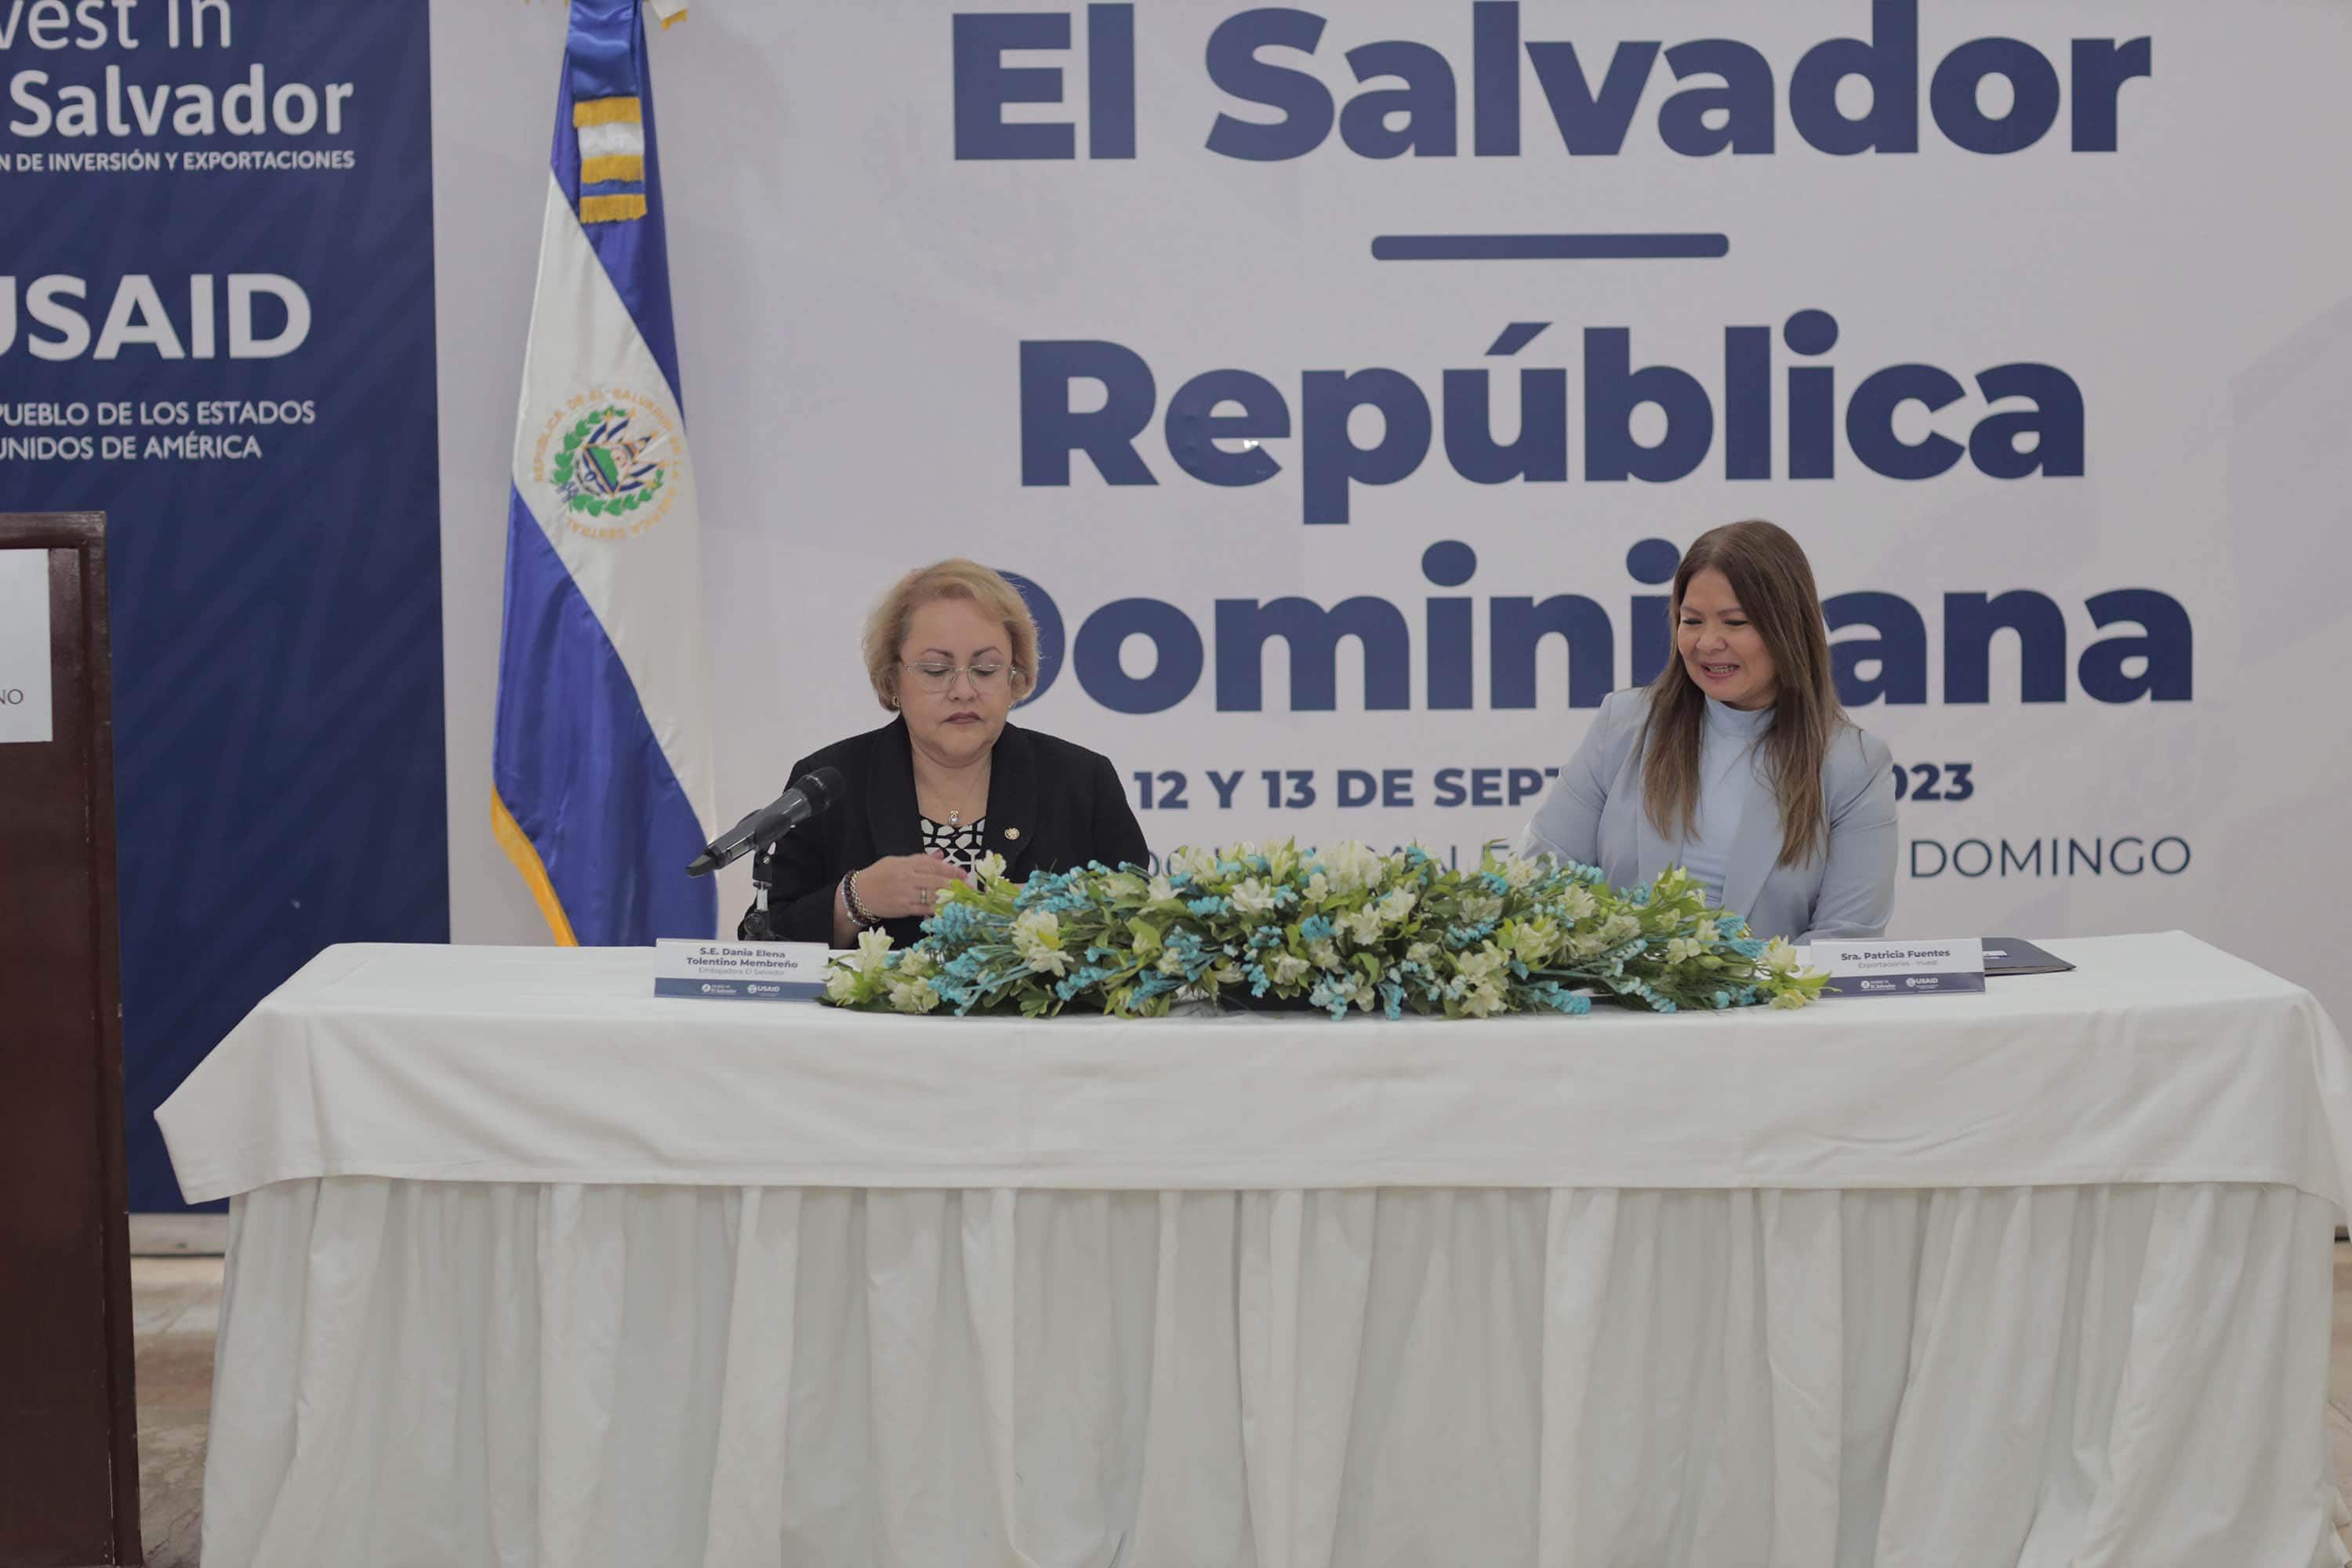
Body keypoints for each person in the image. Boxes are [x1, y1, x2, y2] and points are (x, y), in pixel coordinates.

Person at [1516, 521, 1896, 944]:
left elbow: (1845, 941)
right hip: (1620, 1005)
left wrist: (1728, 989)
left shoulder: (1855, 764)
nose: (1707, 642)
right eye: (1692, 620)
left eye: (1735, 623)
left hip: (1769, 1008)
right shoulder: (1622, 723)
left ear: (1789, 628)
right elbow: (1545, 874)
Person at [742, 559, 1149, 947]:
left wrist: (1056, 909)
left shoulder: (1082, 781)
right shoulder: (829, 783)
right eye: (937, 670)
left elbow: (1142, 921)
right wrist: (854, 899)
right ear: (892, 679)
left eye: (986, 669)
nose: (963, 690)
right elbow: (764, 944)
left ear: (1016, 678)